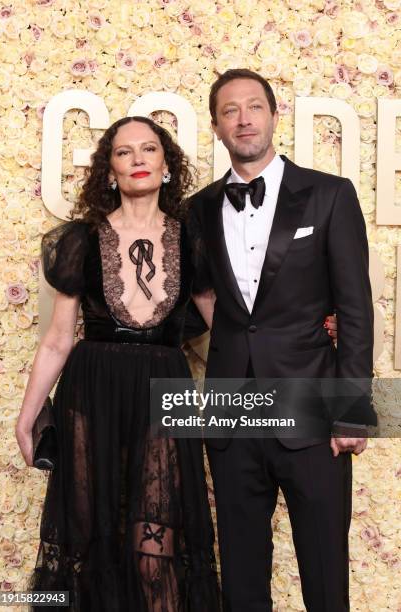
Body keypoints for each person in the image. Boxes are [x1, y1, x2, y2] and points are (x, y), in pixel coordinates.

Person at [189, 69, 376, 611]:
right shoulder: (198, 209)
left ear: (274, 115)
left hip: (313, 414)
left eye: (254, 107)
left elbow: (355, 308)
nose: (244, 119)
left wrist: (352, 412)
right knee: (242, 581)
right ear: (217, 126)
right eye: (230, 110)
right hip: (232, 416)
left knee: (323, 573)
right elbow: (201, 302)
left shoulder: (329, 195)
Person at [15, 116, 220, 612]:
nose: (138, 160)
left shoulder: (193, 239)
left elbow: (229, 335)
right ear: (110, 171)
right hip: (92, 388)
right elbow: (58, 340)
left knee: (157, 544)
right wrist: (28, 416)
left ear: (166, 165)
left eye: (149, 150)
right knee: (88, 535)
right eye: (124, 152)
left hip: (164, 389)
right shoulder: (81, 240)